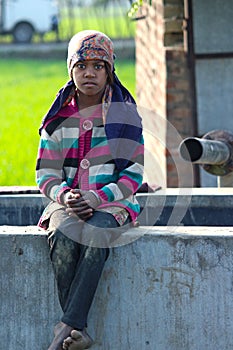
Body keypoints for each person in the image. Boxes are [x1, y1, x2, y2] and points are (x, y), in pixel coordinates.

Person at [36, 30, 144, 350]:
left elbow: (134, 173)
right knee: (63, 237)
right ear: (71, 69)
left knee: (97, 234)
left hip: (113, 202)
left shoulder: (125, 116)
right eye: (82, 65)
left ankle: (66, 325)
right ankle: (78, 332)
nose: (90, 73)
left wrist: (98, 197)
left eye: (99, 66)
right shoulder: (57, 120)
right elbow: (45, 174)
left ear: (110, 70)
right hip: (66, 202)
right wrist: (65, 196)